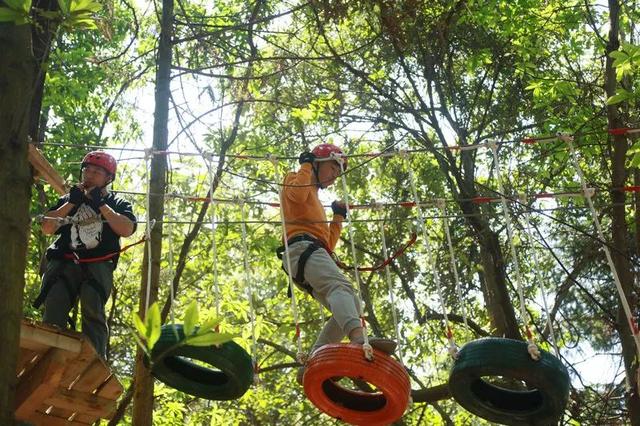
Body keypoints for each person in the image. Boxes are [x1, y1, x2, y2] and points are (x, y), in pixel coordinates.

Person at [279, 143, 396, 385]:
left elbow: (327, 244)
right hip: (301, 248)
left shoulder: (316, 201)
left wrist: (337, 217)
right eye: (333, 167)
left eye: (338, 171)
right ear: (318, 162)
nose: (335, 176)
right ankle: (358, 337)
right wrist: (306, 165)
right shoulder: (294, 180)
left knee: (351, 303)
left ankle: (314, 361)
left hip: (310, 252)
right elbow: (296, 195)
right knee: (341, 290)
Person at [34, 151, 137, 359]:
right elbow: (47, 227)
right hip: (64, 261)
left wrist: (101, 204)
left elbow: (126, 229)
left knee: (92, 309)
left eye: (97, 172)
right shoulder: (68, 200)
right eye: (87, 170)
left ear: (108, 178)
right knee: (54, 306)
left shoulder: (117, 203)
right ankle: (48, 357)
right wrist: (71, 202)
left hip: (97, 263)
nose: (89, 175)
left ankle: (94, 362)